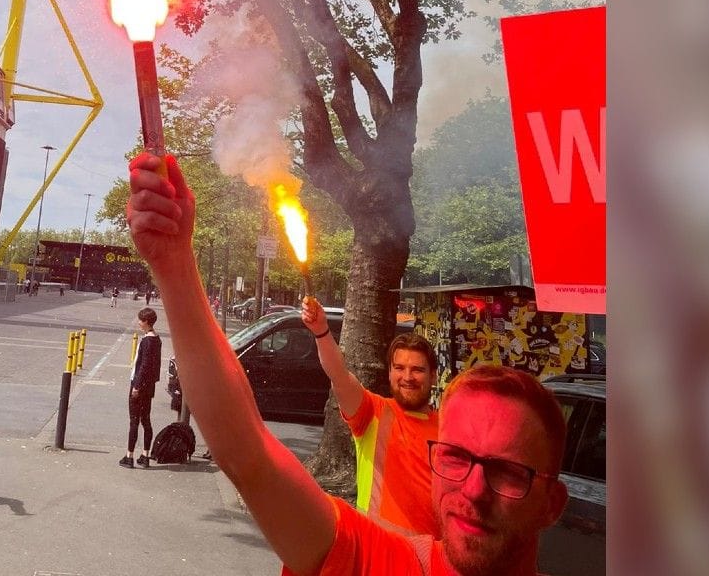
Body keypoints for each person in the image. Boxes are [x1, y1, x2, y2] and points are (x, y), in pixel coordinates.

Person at [126, 154, 568, 576]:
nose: (473, 490)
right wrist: (175, 266)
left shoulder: (432, 426)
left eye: (507, 472)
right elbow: (249, 454)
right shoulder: (373, 555)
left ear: (553, 502)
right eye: (453, 459)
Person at [300, 297, 442, 537]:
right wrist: (322, 332)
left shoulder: (449, 429)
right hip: (377, 555)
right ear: (389, 374)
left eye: (417, 370)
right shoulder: (372, 412)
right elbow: (339, 375)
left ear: (434, 377)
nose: (407, 376)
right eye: (399, 368)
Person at [121, 306, 163, 468]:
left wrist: (136, 386)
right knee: (146, 420)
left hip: (139, 385)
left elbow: (144, 365)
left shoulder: (147, 341)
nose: (139, 322)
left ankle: (129, 456)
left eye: (140, 320)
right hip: (149, 386)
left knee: (134, 421)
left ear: (146, 322)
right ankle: (145, 455)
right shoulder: (157, 339)